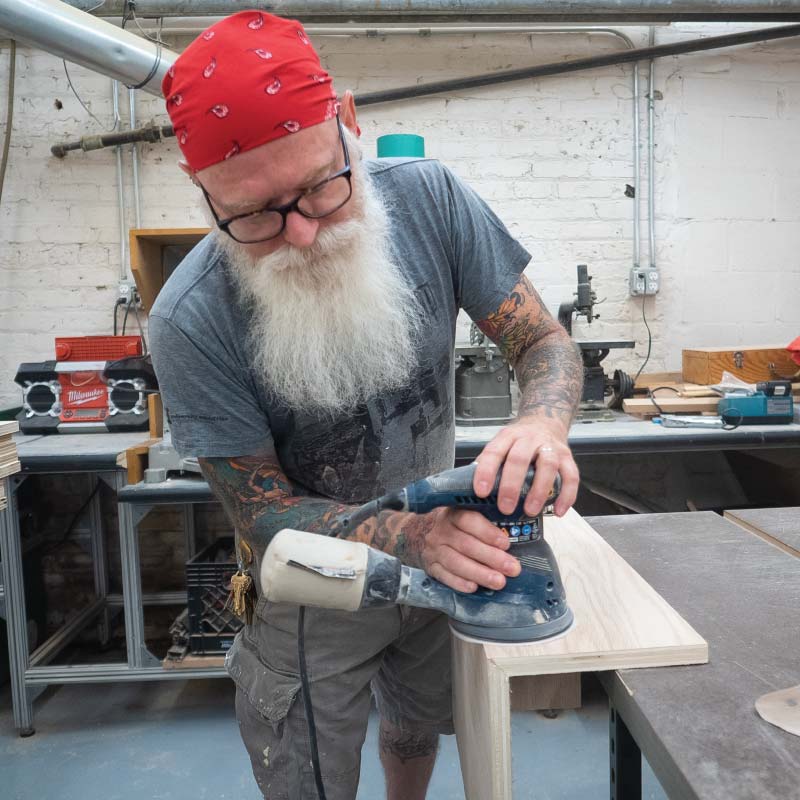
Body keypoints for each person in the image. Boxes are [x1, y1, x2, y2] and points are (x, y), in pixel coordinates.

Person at [150, 10, 583, 800]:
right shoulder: (190, 318)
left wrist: (541, 419)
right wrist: (411, 536)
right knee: (309, 764)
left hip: (448, 546)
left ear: (348, 121)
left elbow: (543, 343)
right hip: (311, 585)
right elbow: (263, 515)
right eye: (254, 214)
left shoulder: (430, 200)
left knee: (417, 721)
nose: (302, 235)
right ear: (203, 190)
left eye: (320, 187)